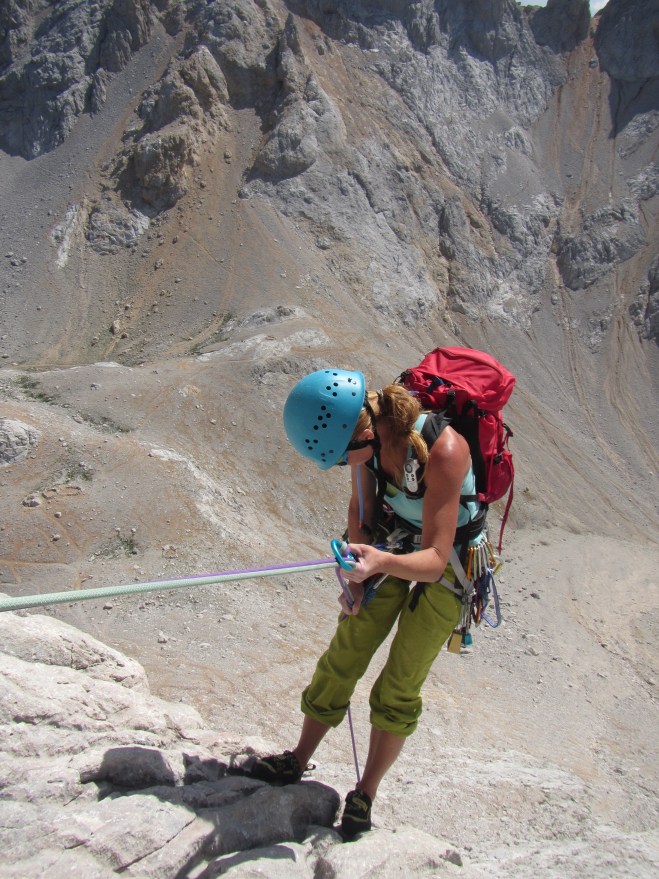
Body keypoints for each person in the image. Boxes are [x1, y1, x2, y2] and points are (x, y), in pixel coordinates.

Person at [249, 367, 486, 838]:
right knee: (347, 649)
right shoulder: (366, 438)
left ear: (365, 432)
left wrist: (378, 562)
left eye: (343, 458)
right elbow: (360, 511)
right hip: (394, 541)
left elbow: (435, 561)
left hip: (449, 561)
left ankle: (366, 794)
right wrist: (356, 580)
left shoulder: (446, 450)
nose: (345, 466)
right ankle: (298, 758)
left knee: (401, 681)